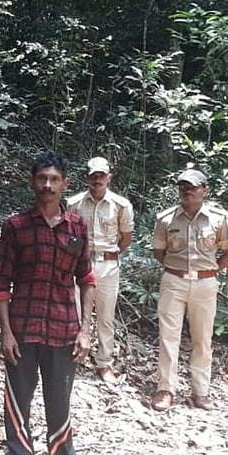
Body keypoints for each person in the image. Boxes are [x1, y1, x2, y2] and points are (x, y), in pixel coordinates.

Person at [0, 151, 95, 455]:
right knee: (17, 404)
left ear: (65, 184)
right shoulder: (16, 226)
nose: (48, 185)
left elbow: (87, 279)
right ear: (33, 182)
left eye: (54, 179)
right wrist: (5, 332)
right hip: (22, 328)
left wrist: (85, 330)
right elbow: (1, 282)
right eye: (42, 178)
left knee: (59, 404)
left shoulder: (77, 227)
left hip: (63, 329)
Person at [151, 168, 228, 411]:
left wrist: (212, 271)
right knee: (168, 337)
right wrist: (174, 270)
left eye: (193, 186)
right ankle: (165, 389)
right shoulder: (166, 219)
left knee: (203, 339)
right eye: (183, 185)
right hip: (173, 281)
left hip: (205, 284)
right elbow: (158, 251)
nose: (187, 190)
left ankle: (201, 391)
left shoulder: (219, 219)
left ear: (204, 190)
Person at [66, 157, 134, 383]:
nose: (97, 179)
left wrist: (109, 256)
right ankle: (73, 357)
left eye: (101, 175)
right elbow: (68, 234)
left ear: (109, 178)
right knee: (74, 311)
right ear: (86, 177)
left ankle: (104, 363)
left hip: (107, 264)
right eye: (93, 175)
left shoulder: (121, 205)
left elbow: (125, 238)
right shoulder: (74, 203)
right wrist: (77, 257)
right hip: (80, 262)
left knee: (106, 315)